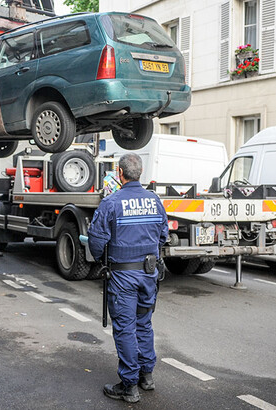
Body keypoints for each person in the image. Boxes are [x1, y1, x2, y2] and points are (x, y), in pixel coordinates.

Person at [87, 153, 168, 403]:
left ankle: (129, 386)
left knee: (124, 329)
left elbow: (97, 242)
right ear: (140, 173)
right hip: (149, 275)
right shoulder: (154, 201)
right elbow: (163, 235)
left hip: (123, 276)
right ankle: (147, 376)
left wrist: (103, 259)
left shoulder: (112, 202)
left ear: (120, 174)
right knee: (143, 324)